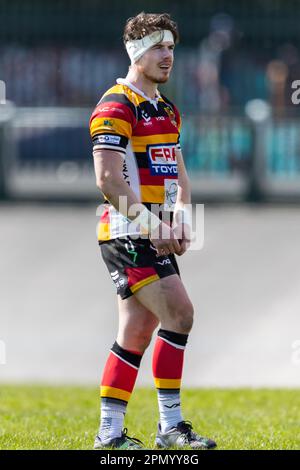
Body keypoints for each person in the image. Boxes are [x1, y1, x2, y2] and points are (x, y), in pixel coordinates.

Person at [89, 11, 217, 450]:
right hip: (128, 233)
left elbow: (179, 177)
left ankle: (109, 434)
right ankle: (171, 427)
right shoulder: (115, 105)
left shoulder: (167, 109)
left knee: (137, 331)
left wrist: (183, 220)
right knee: (180, 314)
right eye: (159, 47)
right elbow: (107, 180)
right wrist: (153, 225)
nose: (168, 56)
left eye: (172, 48)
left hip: (153, 232)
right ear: (136, 51)